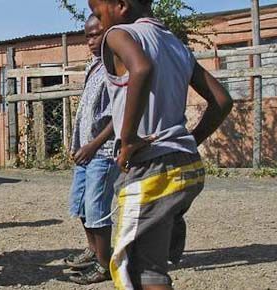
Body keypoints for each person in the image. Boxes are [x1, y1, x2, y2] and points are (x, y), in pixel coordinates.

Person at [88, 0, 234, 289]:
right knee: (151, 265)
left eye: (97, 10)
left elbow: (141, 68)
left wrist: (127, 139)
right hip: (185, 166)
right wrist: (188, 141)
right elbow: (222, 101)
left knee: (136, 269)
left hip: (152, 169)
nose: (97, 19)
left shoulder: (118, 35)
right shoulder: (174, 43)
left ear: (120, 6)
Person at [64, 15, 118, 285]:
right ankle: (93, 250)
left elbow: (119, 115)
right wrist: (79, 145)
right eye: (88, 36)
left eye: (97, 34)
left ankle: (104, 265)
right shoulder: (94, 67)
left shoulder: (117, 66)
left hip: (104, 151)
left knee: (97, 209)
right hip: (85, 150)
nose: (91, 41)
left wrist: (94, 145)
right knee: (81, 206)